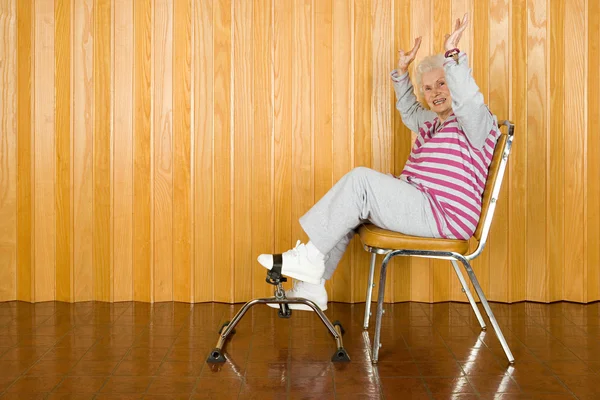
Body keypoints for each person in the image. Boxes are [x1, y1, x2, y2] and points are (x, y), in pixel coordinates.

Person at [259, 13, 500, 311]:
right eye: (428, 88)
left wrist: (452, 54)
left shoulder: (475, 122)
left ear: (453, 82)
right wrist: (402, 72)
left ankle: (310, 257)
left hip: (443, 214)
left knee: (360, 181)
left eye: (442, 83)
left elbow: (469, 100)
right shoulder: (434, 123)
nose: (435, 92)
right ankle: (311, 288)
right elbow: (411, 112)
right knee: (347, 209)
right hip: (425, 204)